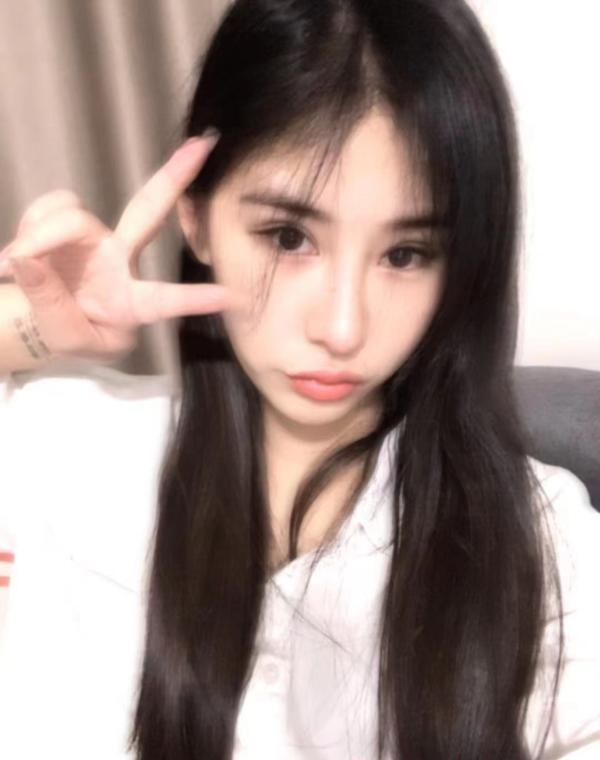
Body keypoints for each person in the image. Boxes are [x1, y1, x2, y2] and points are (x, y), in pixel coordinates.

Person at [0, 0, 599, 759]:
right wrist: (32, 325)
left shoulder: (544, 545)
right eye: (289, 237)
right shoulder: (60, 448)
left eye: (406, 254)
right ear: (196, 219)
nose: (342, 328)